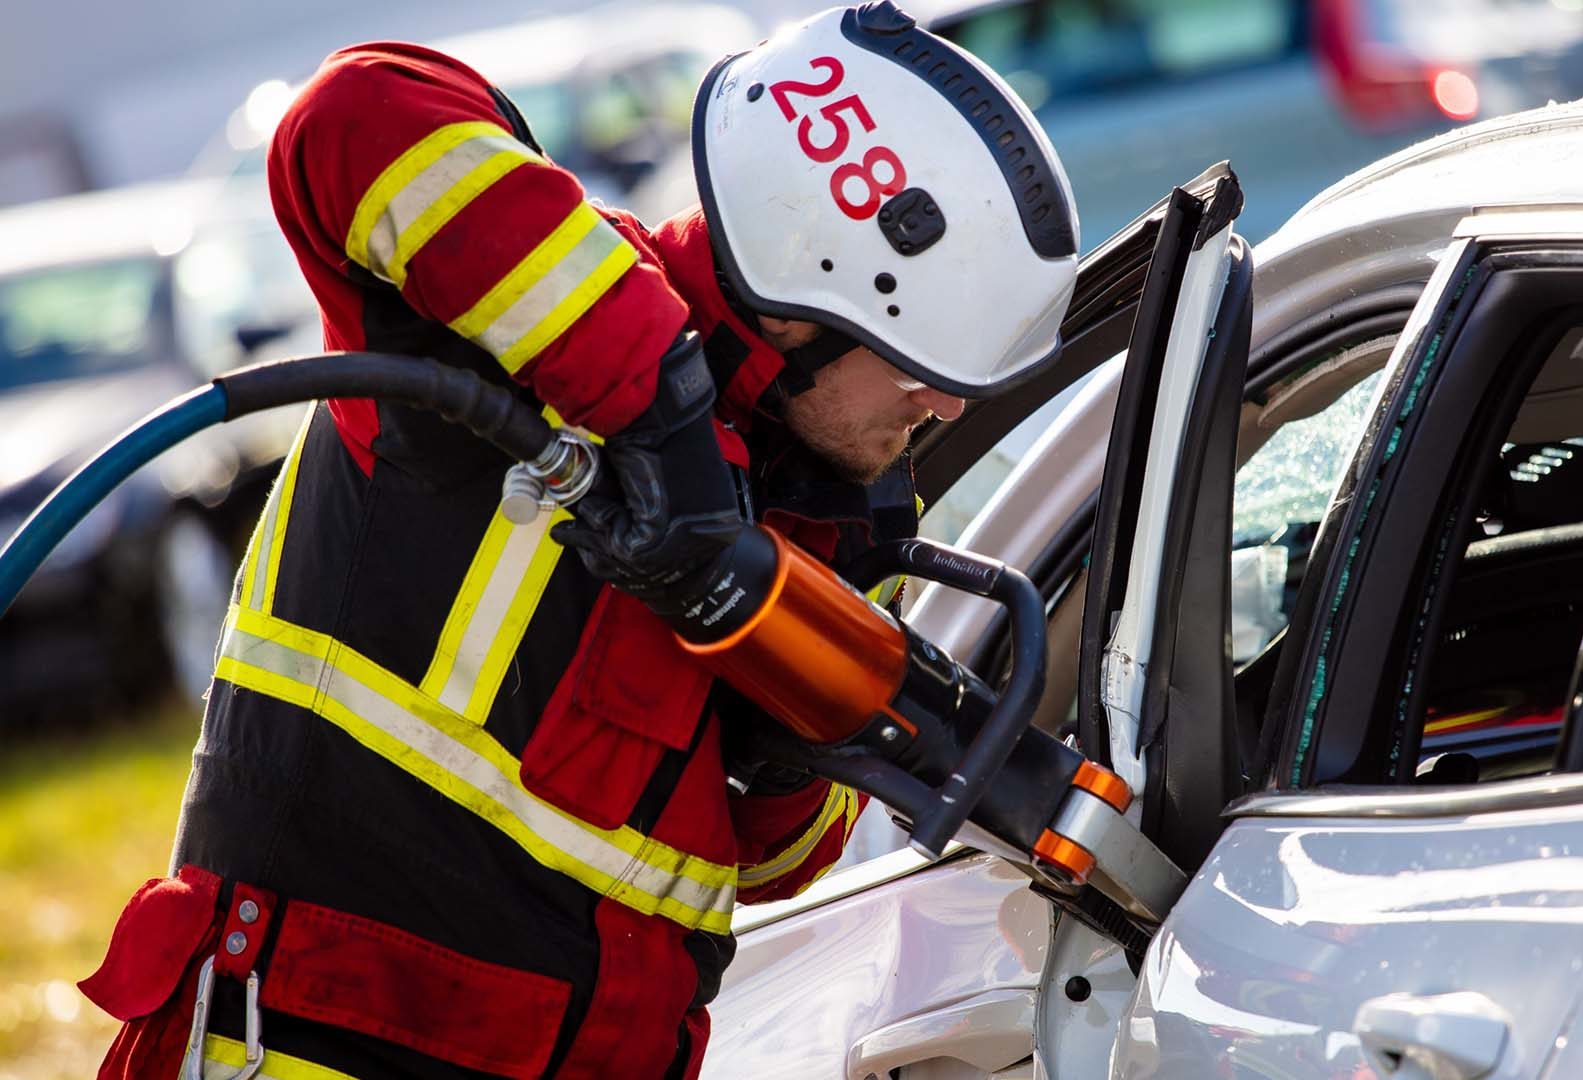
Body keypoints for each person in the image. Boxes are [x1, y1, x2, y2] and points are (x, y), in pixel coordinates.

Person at [77, 3, 1079, 1078]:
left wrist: (782, 732)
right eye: (921, 363)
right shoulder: (504, 337)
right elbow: (349, 114)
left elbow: (787, 861)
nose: (942, 406)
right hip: (318, 1040)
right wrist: (656, 415)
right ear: (805, 303)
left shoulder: (831, 514)